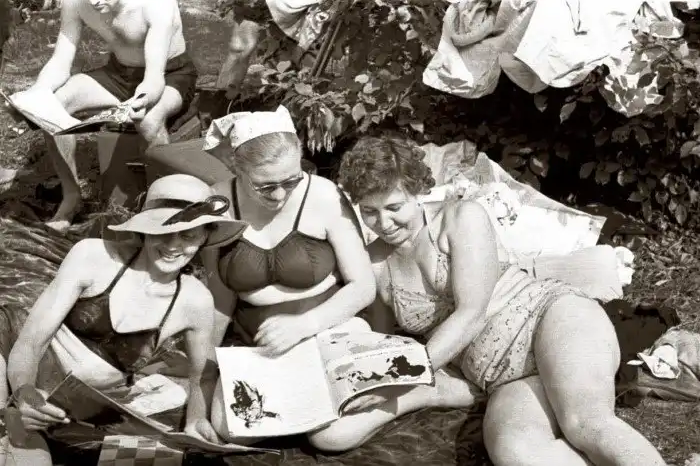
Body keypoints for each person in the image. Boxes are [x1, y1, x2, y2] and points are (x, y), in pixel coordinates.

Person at [309, 135, 667, 466]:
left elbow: (471, 313)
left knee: (585, 424)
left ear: (416, 190)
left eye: (394, 207)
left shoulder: (459, 218)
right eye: (370, 212)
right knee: (516, 453)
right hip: (502, 380)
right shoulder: (375, 264)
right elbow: (385, 340)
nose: (384, 223)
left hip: (550, 319)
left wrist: (404, 378)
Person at [0, 174, 246, 466]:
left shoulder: (195, 301)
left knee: (162, 459)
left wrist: (195, 420)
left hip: (78, 409)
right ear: (144, 229)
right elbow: (31, 341)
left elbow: (201, 375)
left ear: (205, 236)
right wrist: (26, 393)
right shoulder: (95, 256)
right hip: (17, 363)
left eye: (188, 235)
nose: (173, 245)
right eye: (163, 231)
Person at [195, 105, 377, 442]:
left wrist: (303, 325)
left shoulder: (323, 195)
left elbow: (363, 286)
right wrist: (203, 378)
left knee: (331, 438)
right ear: (237, 167)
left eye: (291, 180)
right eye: (265, 186)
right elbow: (219, 295)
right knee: (232, 430)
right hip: (261, 342)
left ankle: (423, 393)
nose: (279, 195)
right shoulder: (219, 203)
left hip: (329, 326)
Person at [10, 0, 198, 231]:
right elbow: (60, 62)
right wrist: (36, 94)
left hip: (170, 74)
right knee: (52, 105)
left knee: (149, 121)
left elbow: (153, 79)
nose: (95, 1)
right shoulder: (75, 2)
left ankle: (161, 202)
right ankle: (71, 198)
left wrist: (141, 100)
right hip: (118, 73)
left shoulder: (156, 5)